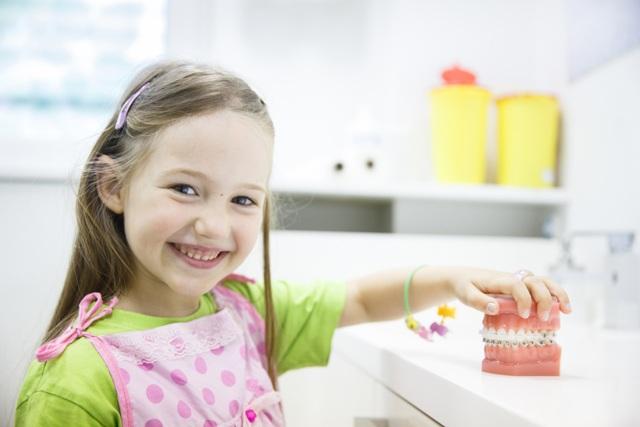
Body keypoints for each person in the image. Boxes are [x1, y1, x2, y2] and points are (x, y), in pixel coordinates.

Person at [15, 60, 572, 427]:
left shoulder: (246, 314)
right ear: (114, 187)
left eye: (242, 199)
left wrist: (454, 279)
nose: (214, 226)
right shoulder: (76, 379)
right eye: (185, 189)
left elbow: (360, 299)